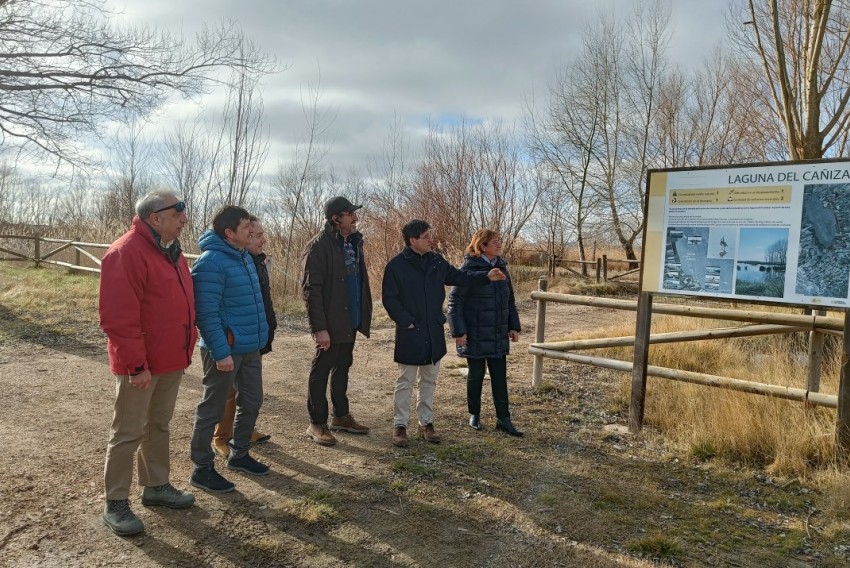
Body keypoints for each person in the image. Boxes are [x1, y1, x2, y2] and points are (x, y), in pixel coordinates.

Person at [99, 188, 198, 536]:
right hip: (141, 365)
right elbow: (117, 317)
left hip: (171, 358)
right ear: (156, 218)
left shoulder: (173, 252)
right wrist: (135, 365)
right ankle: (115, 502)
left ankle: (156, 486)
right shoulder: (126, 252)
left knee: (159, 425)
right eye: (178, 212)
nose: (185, 218)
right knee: (128, 431)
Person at [382, 219, 506, 447]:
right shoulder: (396, 266)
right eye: (426, 236)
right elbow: (390, 299)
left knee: (428, 380)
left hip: (433, 331)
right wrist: (406, 322)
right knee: (406, 381)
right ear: (413, 240)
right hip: (410, 333)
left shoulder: (436, 261)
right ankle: (400, 426)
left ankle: (426, 423)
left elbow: (460, 278)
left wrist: (486, 277)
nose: (432, 240)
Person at [189, 205, 269, 493]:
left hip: (250, 347)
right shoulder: (210, 262)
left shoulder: (244, 257)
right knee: (212, 410)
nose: (252, 230)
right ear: (229, 232)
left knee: (253, 401)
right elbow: (206, 313)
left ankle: (240, 454)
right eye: (246, 226)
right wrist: (221, 352)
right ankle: (201, 468)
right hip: (224, 350)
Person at [301, 196, 372, 446]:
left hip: (350, 320)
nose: (355, 217)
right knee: (321, 371)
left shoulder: (353, 242)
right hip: (330, 323)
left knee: (343, 368)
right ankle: (316, 423)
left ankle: (340, 416)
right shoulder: (319, 246)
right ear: (335, 218)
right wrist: (319, 328)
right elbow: (312, 290)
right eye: (349, 213)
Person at [448, 229, 524, 437]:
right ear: (482, 246)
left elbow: (510, 300)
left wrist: (513, 327)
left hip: (498, 331)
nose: (500, 245)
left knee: (500, 376)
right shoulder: (468, 268)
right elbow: (455, 302)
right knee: (476, 375)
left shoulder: (502, 268)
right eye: (495, 242)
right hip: (475, 332)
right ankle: (474, 414)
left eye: (500, 241)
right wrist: (459, 331)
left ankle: (504, 419)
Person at [212, 215, 276, 458]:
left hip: (255, 334)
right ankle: (221, 436)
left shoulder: (255, 262)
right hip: (234, 339)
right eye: (256, 235)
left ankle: (244, 431)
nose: (261, 240)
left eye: (259, 234)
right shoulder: (232, 262)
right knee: (228, 392)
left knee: (247, 391)